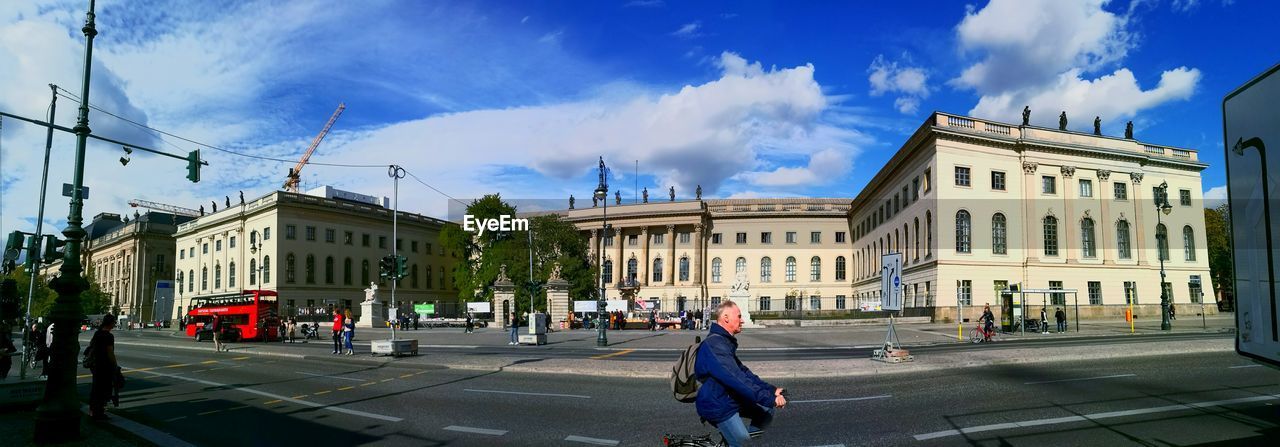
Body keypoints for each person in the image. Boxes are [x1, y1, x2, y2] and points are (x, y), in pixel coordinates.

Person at [695, 300, 786, 446]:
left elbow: (744, 373)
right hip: (718, 404)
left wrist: (771, 390)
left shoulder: (723, 341)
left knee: (766, 410)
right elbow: (737, 379)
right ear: (726, 318)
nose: (742, 320)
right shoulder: (715, 345)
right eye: (738, 316)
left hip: (729, 397)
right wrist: (768, 397)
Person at [87, 314, 121, 420]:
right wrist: (115, 366)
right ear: (110, 323)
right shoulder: (108, 336)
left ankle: (93, 410)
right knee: (104, 389)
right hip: (104, 365)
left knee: (96, 388)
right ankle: (99, 412)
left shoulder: (97, 333)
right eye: (114, 322)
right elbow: (110, 352)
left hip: (95, 364)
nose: (114, 324)